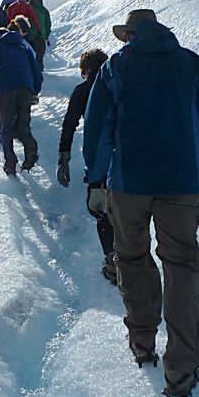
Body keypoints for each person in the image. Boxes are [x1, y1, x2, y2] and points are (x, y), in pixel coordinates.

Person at [82, 8, 199, 397]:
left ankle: (142, 342)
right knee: (181, 266)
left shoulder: (115, 68)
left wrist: (96, 181)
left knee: (131, 260)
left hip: (128, 184)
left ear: (130, 35)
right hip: (182, 183)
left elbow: (99, 128)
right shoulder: (191, 65)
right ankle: (182, 371)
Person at [57, 49, 116, 284]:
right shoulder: (119, 87)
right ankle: (132, 261)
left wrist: (64, 156)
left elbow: (69, 123)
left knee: (101, 209)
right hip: (125, 157)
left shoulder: (82, 91)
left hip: (97, 159)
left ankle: (113, 263)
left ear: (85, 71)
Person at [0, 19, 42, 175]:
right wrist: (35, 91)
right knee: (23, 125)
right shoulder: (23, 48)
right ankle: (31, 150)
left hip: (7, 89)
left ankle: (10, 164)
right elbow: (36, 72)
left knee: (7, 128)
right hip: (26, 89)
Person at [26, 0, 52, 69]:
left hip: (29, 34)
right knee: (39, 56)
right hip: (41, 35)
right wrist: (46, 36)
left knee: (30, 54)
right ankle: (40, 73)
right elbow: (48, 24)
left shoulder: (28, 7)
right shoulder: (44, 10)